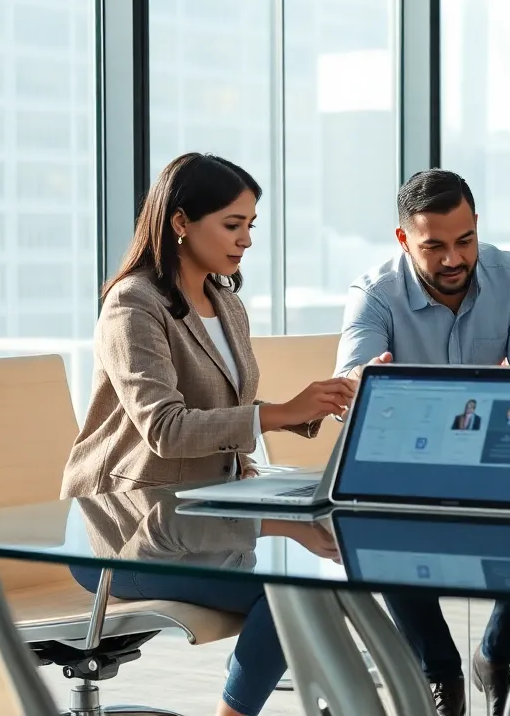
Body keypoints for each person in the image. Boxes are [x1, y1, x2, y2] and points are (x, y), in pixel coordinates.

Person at [62, 152, 357, 716]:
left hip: (199, 514)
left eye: (250, 225)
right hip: (124, 530)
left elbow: (230, 414)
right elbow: (165, 431)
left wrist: (304, 410)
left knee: (322, 566)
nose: (245, 240)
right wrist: (273, 415)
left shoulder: (226, 302)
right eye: (231, 224)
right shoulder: (132, 305)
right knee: (292, 595)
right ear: (179, 223)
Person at [334, 168, 510, 716]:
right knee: (379, 519)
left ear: (478, 225)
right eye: (434, 246)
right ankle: (440, 673)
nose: (453, 259)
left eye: (465, 241)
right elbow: (353, 391)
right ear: (404, 239)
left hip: (492, 453)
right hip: (406, 461)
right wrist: (363, 385)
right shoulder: (375, 294)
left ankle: (496, 657)